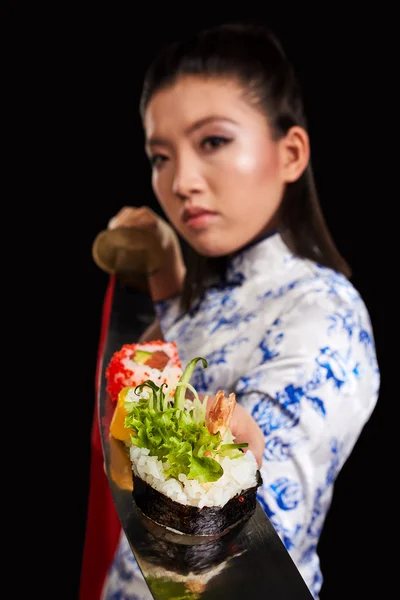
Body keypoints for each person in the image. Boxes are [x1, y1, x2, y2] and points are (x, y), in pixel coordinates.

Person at [89, 21, 380, 600]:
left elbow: (246, 556)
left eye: (213, 142)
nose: (180, 181)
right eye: (160, 156)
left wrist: (226, 481)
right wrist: (168, 276)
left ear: (291, 153)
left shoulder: (324, 314)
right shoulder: (204, 298)